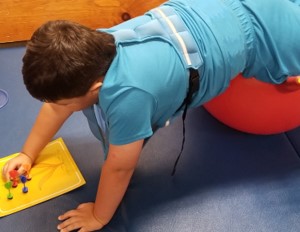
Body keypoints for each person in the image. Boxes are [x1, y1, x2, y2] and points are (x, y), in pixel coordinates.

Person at [2, 0, 300, 231]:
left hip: (263, 34)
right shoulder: (94, 46)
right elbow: (57, 104)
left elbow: (120, 168)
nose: (57, 105)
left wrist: (97, 215)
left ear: (96, 88)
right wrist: (28, 154)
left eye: (63, 100)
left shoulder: (130, 96)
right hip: (212, 10)